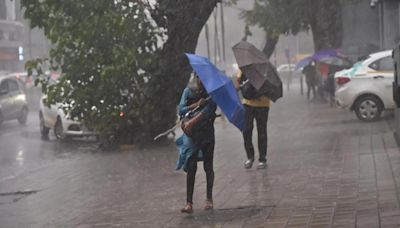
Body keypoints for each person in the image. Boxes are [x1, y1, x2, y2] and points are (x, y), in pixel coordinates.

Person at [176, 73, 217, 214]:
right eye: (198, 77)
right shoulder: (188, 91)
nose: (200, 80)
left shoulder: (212, 94)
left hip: (207, 134)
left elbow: (208, 111)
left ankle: (209, 199)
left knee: (208, 166)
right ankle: (189, 203)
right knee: (191, 166)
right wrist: (194, 105)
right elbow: (180, 109)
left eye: (203, 78)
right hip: (192, 136)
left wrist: (192, 122)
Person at [236, 70, 270, 169]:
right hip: (247, 103)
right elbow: (239, 82)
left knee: (262, 132)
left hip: (263, 104)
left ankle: (262, 159)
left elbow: (270, 86)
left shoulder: (265, 69)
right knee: (246, 130)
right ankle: (250, 157)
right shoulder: (243, 67)